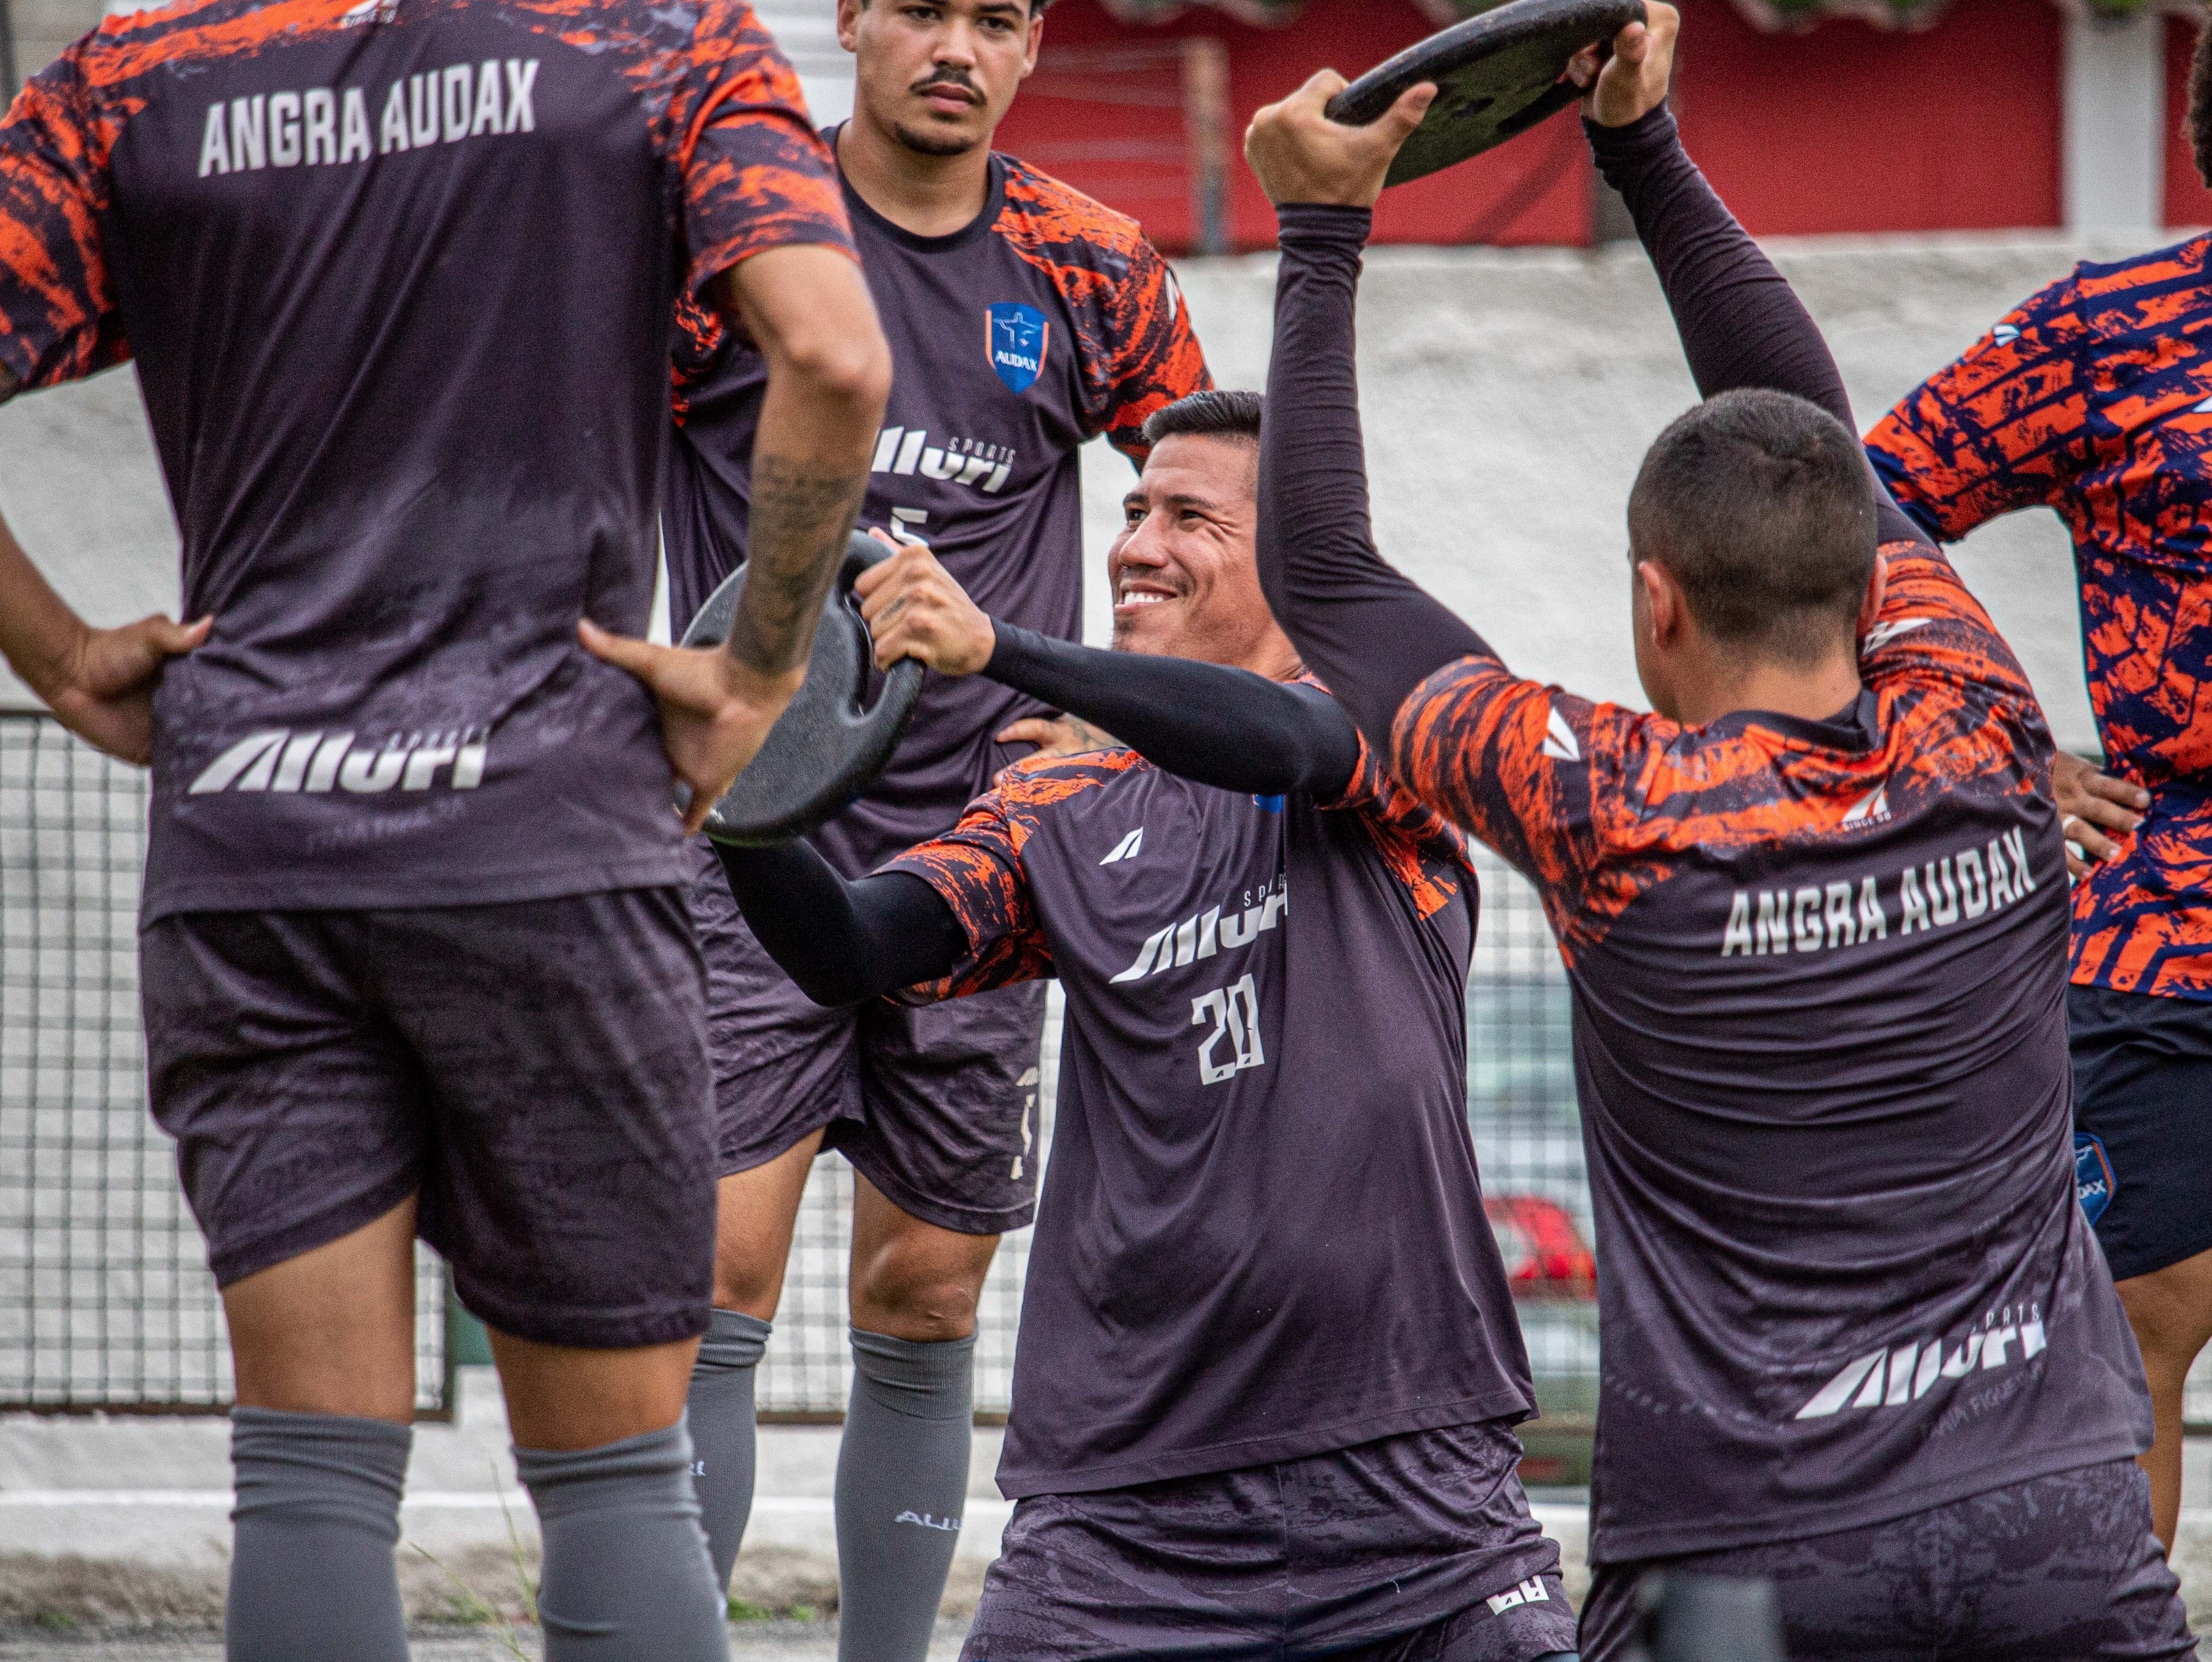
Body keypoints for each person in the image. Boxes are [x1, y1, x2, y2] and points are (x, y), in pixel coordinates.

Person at [1239, 10, 2194, 1659]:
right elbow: (1802, 421)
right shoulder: (1977, 721)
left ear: (1652, 602)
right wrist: (1644, 147)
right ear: (1867, 582)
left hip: (1751, 1566)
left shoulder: (1605, 804)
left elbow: (1324, 581)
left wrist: (1320, 232)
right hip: (2059, 1528)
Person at [0, 0, 889, 1656]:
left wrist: (58, 658)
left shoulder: (136, 76)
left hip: (250, 836)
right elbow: (833, 357)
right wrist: (757, 670)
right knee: (619, 1485)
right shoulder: (656, 42)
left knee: (312, 1481)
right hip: (546, 835)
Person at [709, 391, 1581, 1662]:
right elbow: (851, 946)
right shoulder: (1061, 797)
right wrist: (740, 795)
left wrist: (996, 642)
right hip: (1121, 1507)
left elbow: (1283, 740)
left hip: (1409, 1478)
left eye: (1188, 515)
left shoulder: (1394, 713)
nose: (1134, 543)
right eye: (1129, 509)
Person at [662, 0, 1207, 1647]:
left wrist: (1104, 700)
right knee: (711, 1287)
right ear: (856, 24)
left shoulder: (1088, 263)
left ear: (1035, 44)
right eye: (922, 9)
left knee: (924, 1293)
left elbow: (1205, 496)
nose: (955, 45)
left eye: (998, 16)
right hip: (745, 860)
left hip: (981, 877)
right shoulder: (734, 240)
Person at [1862, 19, 2212, 1555]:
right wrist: (1998, 736)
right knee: (2122, 1348)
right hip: (2169, 932)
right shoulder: (2112, 327)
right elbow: (1859, 503)